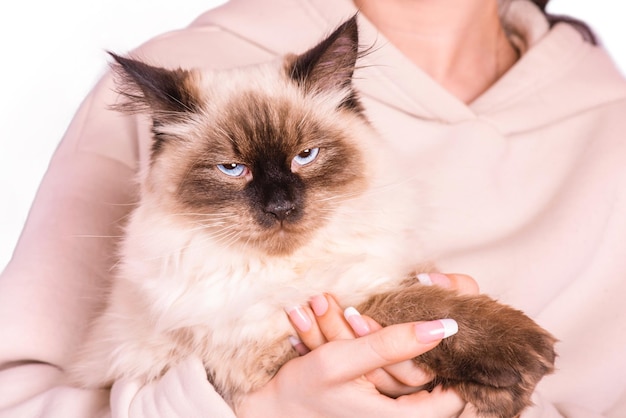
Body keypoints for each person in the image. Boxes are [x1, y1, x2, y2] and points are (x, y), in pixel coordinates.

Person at [0, 0, 625, 416]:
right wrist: (255, 409)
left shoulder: (611, 120)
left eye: (302, 161)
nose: (278, 201)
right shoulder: (184, 73)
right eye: (239, 170)